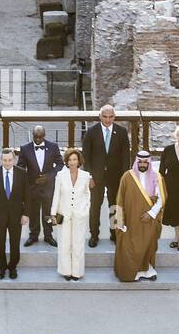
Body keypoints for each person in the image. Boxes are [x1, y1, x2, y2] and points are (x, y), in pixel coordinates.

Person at [81, 105, 132, 247]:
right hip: (96, 177)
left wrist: (124, 177)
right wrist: (89, 176)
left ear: (114, 117)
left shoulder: (121, 132)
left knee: (115, 206)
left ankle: (115, 234)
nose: (108, 120)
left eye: (111, 117)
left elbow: (125, 156)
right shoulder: (91, 132)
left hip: (115, 176)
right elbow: (86, 156)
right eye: (105, 116)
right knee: (95, 206)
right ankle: (94, 236)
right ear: (100, 116)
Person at [113, 151, 167, 282]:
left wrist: (151, 214)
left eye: (145, 162)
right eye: (140, 162)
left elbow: (162, 198)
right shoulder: (127, 176)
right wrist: (120, 221)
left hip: (149, 219)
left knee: (148, 245)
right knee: (131, 246)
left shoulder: (157, 176)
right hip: (131, 219)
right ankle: (133, 271)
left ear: (149, 163)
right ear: (136, 162)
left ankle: (147, 270)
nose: (143, 164)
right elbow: (120, 200)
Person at [0, 148, 29, 279]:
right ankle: (1, 266)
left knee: (15, 242)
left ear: (14, 159)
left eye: (10, 160)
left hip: (17, 214)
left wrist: (26, 214)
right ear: (0, 160)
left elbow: (27, 195)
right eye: (4, 160)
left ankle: (13, 267)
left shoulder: (22, 173)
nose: (7, 163)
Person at [50, 149, 92, 280]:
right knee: (64, 244)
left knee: (78, 244)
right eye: (70, 160)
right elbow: (56, 195)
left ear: (79, 161)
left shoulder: (86, 176)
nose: (72, 162)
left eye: (75, 159)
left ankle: (77, 272)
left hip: (80, 215)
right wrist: (53, 214)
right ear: (66, 162)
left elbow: (87, 194)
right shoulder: (60, 176)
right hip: (64, 214)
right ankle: (66, 271)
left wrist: (85, 209)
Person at [18, 125, 61, 247]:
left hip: (48, 186)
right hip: (33, 187)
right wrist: (29, 181)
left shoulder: (53, 147)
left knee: (48, 212)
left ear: (44, 136)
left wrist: (48, 176)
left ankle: (49, 235)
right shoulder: (25, 149)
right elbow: (21, 167)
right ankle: (33, 235)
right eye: (36, 137)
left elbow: (60, 165)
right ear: (32, 135)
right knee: (33, 212)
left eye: (40, 137)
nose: (38, 139)